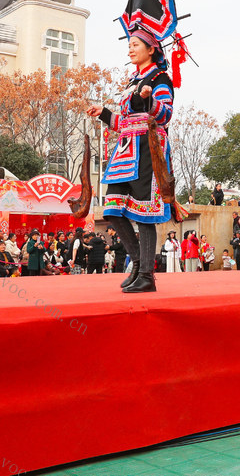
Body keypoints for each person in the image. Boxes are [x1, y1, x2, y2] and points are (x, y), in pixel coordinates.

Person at [86, 15, 177, 294]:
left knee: (145, 212)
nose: (130, 49)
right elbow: (124, 122)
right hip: (126, 149)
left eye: (135, 44)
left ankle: (147, 275)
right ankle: (138, 263)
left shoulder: (160, 78)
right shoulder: (132, 80)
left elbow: (165, 115)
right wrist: (104, 113)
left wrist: (150, 100)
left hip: (148, 149)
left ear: (151, 49)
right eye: (129, 45)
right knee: (112, 210)